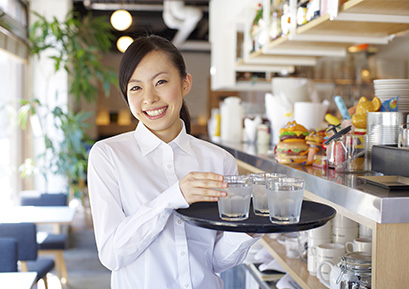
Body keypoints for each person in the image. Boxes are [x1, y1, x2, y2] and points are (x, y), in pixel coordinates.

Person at [87, 35, 261, 289]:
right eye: (136, 87)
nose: (149, 98)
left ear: (185, 83)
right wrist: (171, 198)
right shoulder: (108, 156)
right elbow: (112, 254)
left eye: (160, 82)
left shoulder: (219, 160)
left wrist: (248, 230)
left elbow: (214, 260)